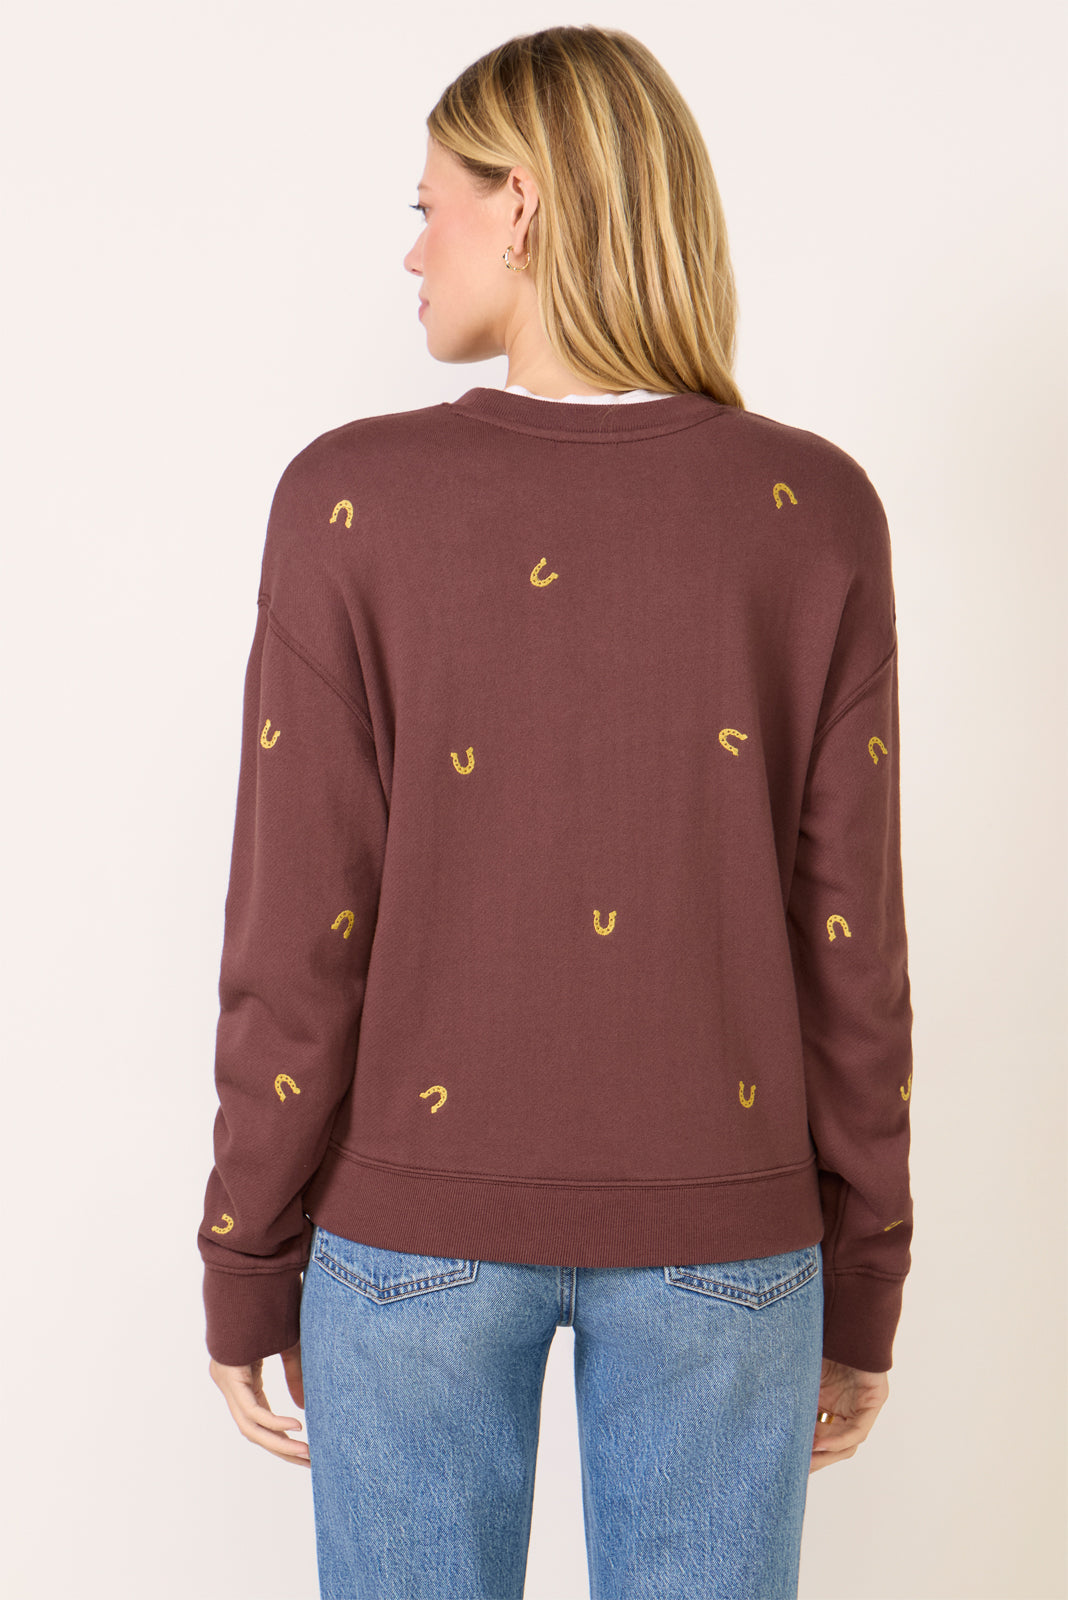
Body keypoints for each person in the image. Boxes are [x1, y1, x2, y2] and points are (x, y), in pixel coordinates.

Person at [199, 23, 913, 1600]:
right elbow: (851, 947)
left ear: (518, 205)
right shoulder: (813, 512)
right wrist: (864, 1272)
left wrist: (247, 1249)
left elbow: (298, 923)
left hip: (409, 1238)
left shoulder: (348, 502)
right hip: (729, 1238)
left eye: (429, 203)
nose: (413, 249)